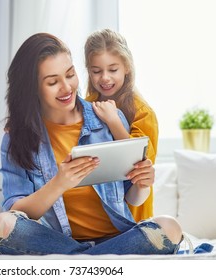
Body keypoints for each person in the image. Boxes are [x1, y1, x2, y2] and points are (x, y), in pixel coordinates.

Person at [0, 32, 183, 255]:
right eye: (52, 82)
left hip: (116, 237)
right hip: (57, 240)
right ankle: (93, 260)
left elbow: (133, 198)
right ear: (32, 88)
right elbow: (16, 211)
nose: (66, 87)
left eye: (70, 74)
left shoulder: (109, 118)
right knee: (0, 225)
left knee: (170, 227)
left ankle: (76, 260)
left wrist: (142, 184)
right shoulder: (17, 137)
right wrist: (59, 183)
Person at [84, 29, 158, 222]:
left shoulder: (143, 113)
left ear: (127, 67)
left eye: (113, 70)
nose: (105, 78)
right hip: (95, 217)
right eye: (96, 71)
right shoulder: (87, 105)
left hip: (132, 217)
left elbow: (139, 166)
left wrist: (114, 121)